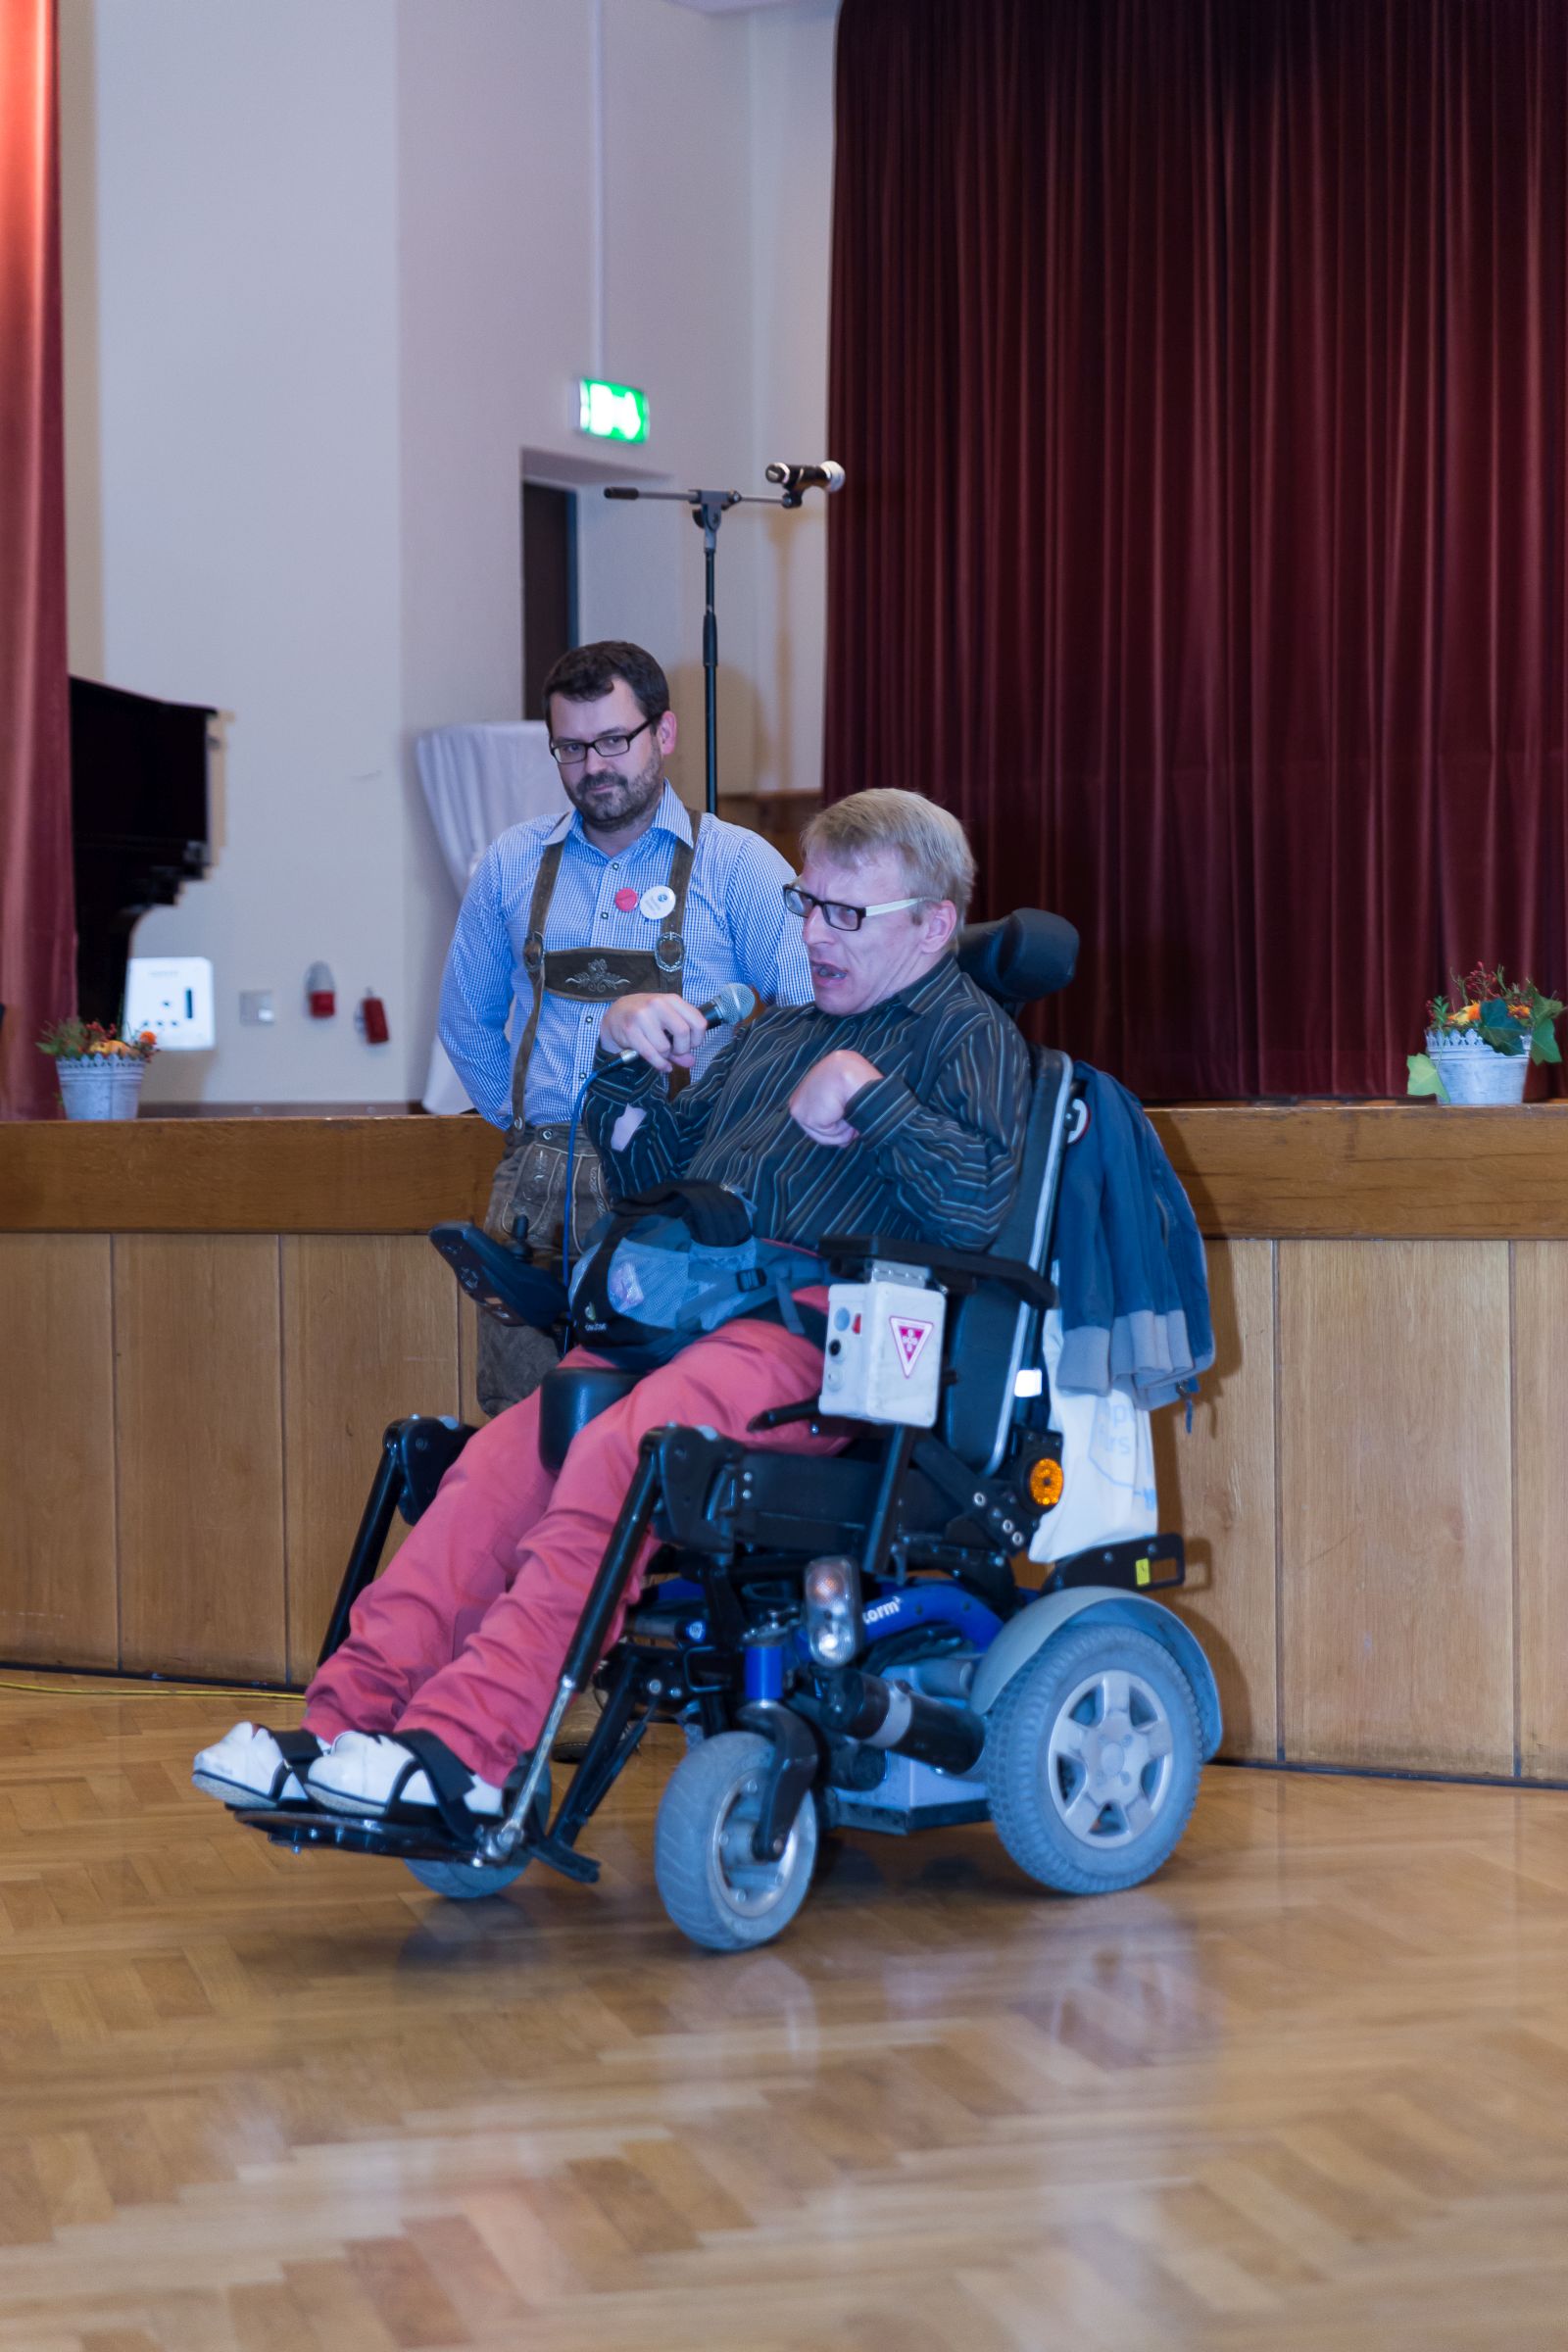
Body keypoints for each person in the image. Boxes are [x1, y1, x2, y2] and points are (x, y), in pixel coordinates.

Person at [193, 790, 1031, 1827]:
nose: (814, 935)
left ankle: (467, 1749)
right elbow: (652, 1176)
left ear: (935, 925)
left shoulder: (970, 1036)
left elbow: (978, 1207)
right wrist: (624, 1067)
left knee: (624, 1450)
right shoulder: (776, 1035)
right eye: (805, 904)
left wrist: (871, 1096)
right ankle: (343, 1727)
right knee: (504, 1457)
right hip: (687, 1309)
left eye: (845, 915)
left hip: (826, 1327)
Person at [438, 639, 811, 1415]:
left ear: (663, 733)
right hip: (536, 1194)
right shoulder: (511, 864)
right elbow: (465, 1022)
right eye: (571, 748)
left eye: (613, 740)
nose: (594, 766)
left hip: (679, 1186)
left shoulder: (737, 865)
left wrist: (730, 1136)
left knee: (662, 1423)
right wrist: (529, 1124)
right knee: (523, 1421)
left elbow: (810, 1015)